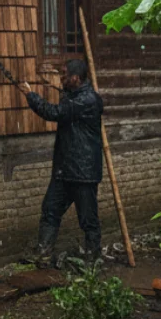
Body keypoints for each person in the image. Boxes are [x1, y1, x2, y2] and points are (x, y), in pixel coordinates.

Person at [27, 57, 104, 264]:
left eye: (64, 75)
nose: (61, 78)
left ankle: (93, 257)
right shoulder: (73, 96)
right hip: (64, 171)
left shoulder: (87, 100)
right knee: (50, 210)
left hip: (83, 172)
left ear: (76, 78)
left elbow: (54, 112)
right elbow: (65, 105)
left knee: (88, 219)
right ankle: (43, 252)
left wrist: (31, 96)